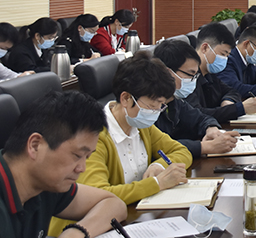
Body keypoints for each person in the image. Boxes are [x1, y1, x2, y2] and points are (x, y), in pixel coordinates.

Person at [49, 52, 192, 236]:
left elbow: (181, 151)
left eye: (161, 105)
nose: (156, 112)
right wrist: (156, 183)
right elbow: (98, 195)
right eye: (152, 105)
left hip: (130, 218)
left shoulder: (141, 126)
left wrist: (159, 165)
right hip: (88, 230)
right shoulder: (96, 136)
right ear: (125, 98)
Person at [0, 91, 126, 238]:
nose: (82, 168)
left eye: (87, 157)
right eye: (77, 155)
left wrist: (77, 232)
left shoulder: (45, 182)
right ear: (35, 146)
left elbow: (114, 204)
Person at [153, 40, 240, 158]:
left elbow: (201, 118)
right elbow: (160, 146)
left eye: (195, 76)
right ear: (168, 73)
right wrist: (205, 147)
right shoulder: (148, 107)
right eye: (190, 75)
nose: (193, 81)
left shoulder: (175, 101)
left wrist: (211, 128)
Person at [186, 24, 256, 122]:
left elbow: (232, 91)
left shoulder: (210, 73)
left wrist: (228, 100)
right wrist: (239, 109)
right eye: (222, 54)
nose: (224, 59)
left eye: (227, 55)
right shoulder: (187, 78)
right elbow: (198, 114)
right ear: (205, 48)